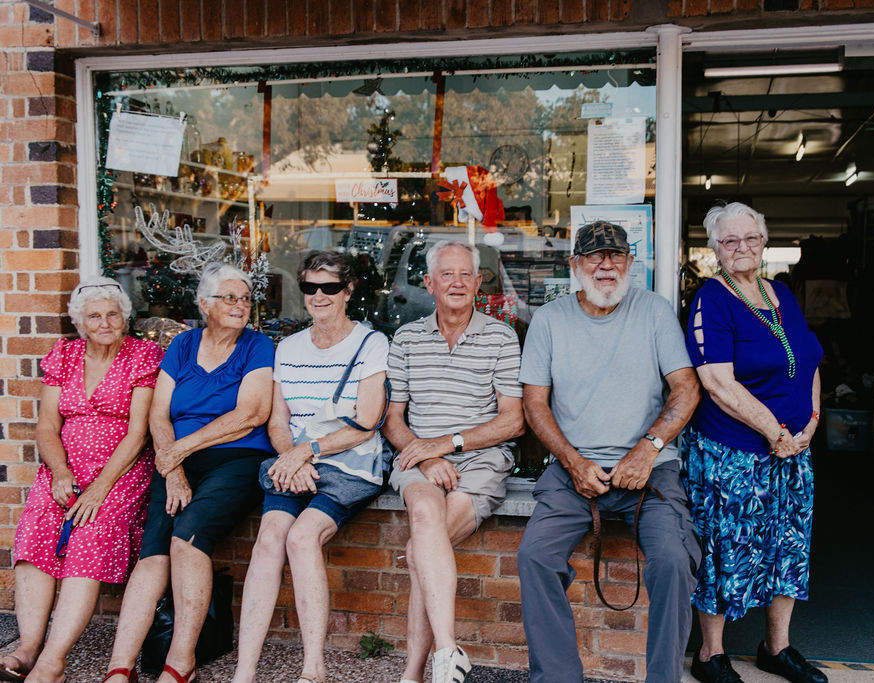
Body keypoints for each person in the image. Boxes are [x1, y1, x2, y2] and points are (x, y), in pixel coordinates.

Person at [516, 221, 702, 683]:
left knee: (675, 560)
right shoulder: (549, 319)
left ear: (630, 264)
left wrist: (647, 449)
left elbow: (686, 388)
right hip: (572, 470)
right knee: (534, 556)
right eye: (594, 257)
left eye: (615, 256)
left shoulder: (654, 311)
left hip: (650, 470)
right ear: (574, 265)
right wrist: (572, 461)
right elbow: (534, 403)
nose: (606, 266)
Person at [102, 263, 275, 683]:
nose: (240, 306)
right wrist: (174, 464)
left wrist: (181, 448)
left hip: (236, 458)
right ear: (205, 304)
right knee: (154, 549)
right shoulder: (182, 345)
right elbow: (159, 414)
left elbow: (251, 413)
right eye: (229, 298)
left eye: (245, 299)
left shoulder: (257, 346)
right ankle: (118, 667)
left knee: (188, 534)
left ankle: (181, 662)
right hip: (177, 461)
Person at [683, 202, 825, 683]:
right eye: (730, 241)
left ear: (764, 242)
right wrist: (775, 432)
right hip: (734, 452)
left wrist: (811, 420)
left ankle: (776, 648)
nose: (742, 248)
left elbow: (809, 360)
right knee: (726, 549)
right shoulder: (712, 300)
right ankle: (711, 655)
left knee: (789, 546)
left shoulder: (781, 291)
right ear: (715, 249)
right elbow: (718, 383)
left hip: (792, 452)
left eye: (751, 239)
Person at [232, 251, 389, 683]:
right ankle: (244, 671)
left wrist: (307, 451)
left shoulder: (370, 343)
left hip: (349, 464)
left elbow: (367, 421)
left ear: (349, 290)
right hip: (295, 461)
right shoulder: (288, 347)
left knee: (302, 538)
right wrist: (290, 454)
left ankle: (313, 668)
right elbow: (278, 420)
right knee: (268, 542)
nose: (319, 296)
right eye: (310, 287)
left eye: (330, 287)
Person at [1, 278, 162, 683]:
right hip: (67, 468)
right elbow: (46, 426)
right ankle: (27, 647)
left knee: (91, 533)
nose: (105, 322)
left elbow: (138, 433)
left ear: (125, 317)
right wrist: (59, 472)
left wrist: (100, 486)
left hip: (119, 471)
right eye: (95, 316)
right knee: (37, 525)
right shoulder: (64, 356)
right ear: (80, 323)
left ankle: (54, 662)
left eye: (113, 313)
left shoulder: (142, 355)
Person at [383, 241, 524, 683]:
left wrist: (446, 444)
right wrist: (426, 460)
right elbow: (393, 419)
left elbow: (514, 421)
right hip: (418, 457)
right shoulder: (406, 338)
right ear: (429, 283)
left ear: (479, 282)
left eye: (466, 274)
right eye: (447, 274)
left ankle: (413, 674)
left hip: (478, 460)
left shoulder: (500, 335)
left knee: (420, 550)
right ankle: (446, 654)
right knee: (425, 514)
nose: (457, 283)